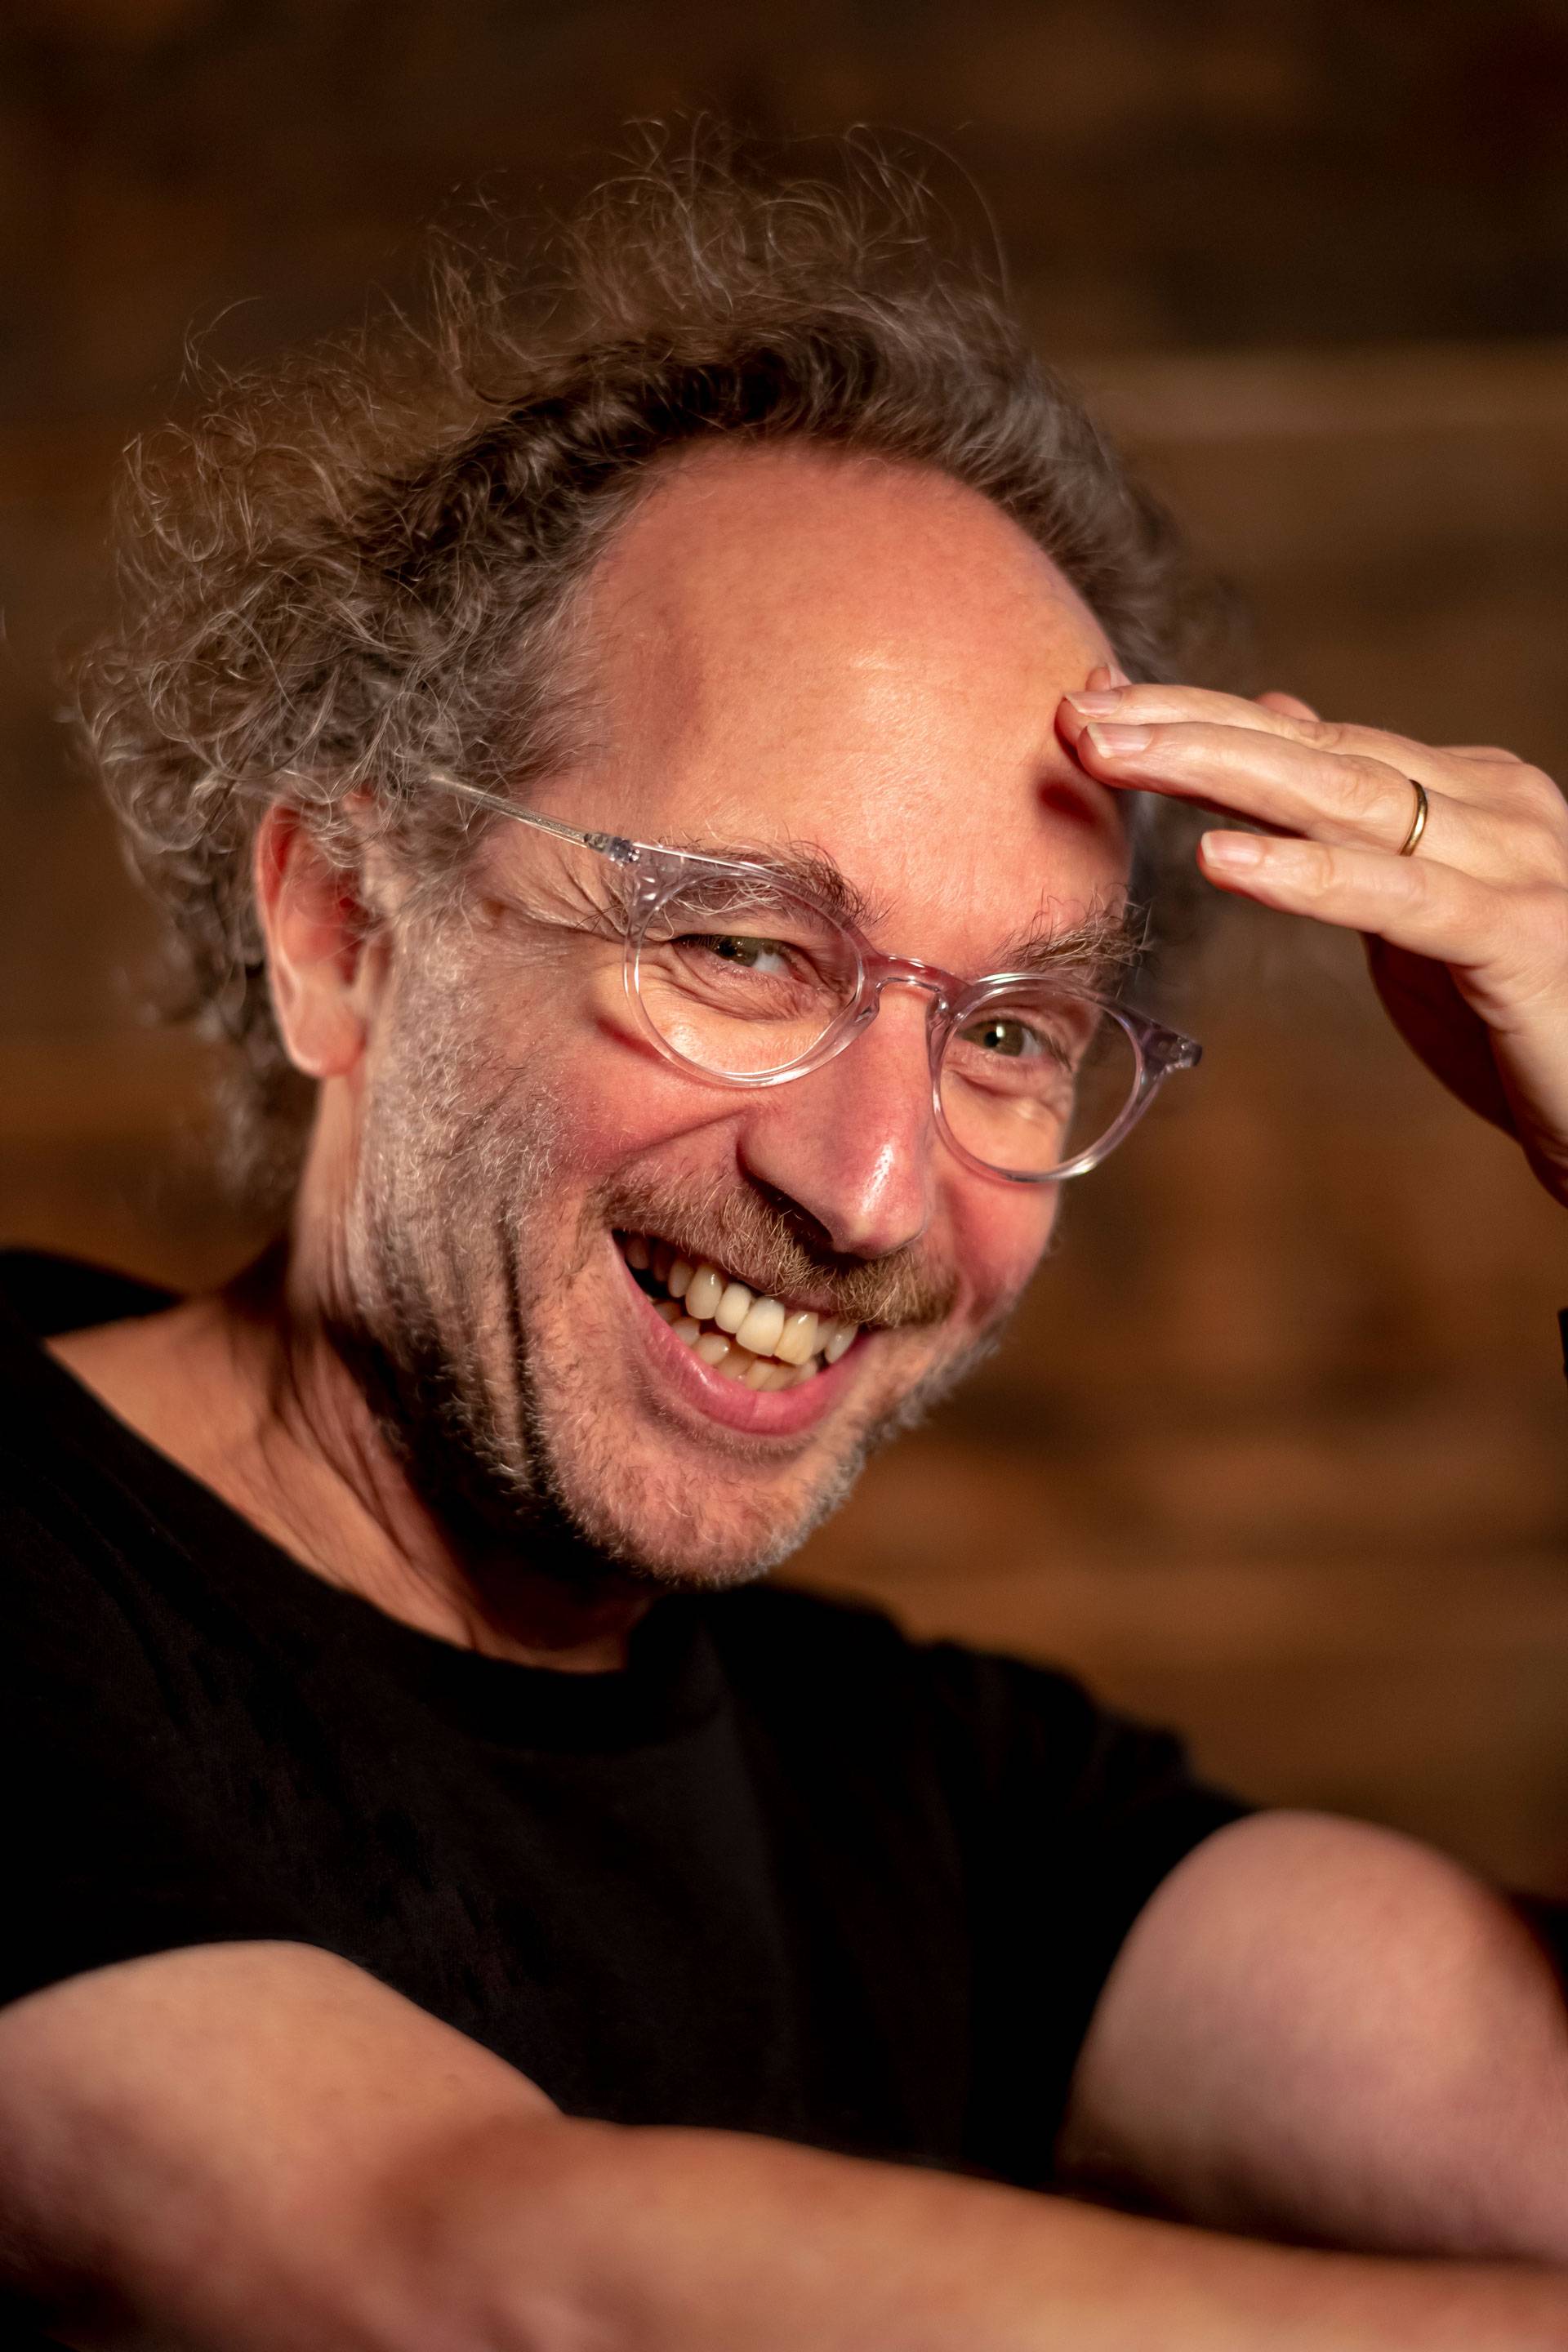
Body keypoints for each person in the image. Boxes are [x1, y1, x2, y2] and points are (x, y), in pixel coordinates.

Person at [4, 145, 1568, 2351]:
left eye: (1012, 1031)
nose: (868, 1189)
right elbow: (460, 2266)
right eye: (740, 945)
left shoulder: (924, 1796)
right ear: (345, 931)